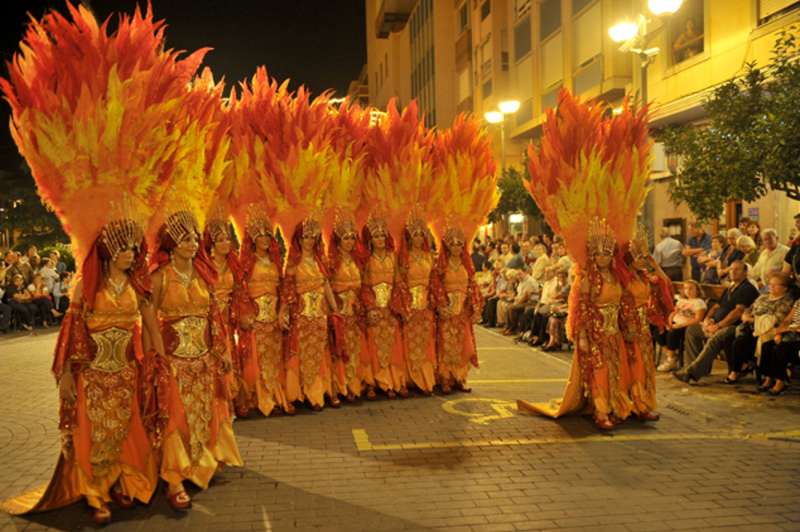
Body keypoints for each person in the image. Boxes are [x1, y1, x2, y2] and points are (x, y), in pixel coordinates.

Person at [149, 211, 243, 511]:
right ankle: (174, 479)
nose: (191, 243)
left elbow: (214, 317)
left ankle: (201, 464)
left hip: (203, 361)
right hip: (174, 362)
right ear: (171, 244)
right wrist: (156, 361)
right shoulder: (160, 278)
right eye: (184, 239)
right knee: (175, 418)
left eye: (193, 238)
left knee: (203, 413)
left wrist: (223, 352)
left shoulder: (204, 274)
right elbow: (148, 323)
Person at [519, 219, 637, 430]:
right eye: (599, 254)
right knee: (599, 371)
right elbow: (581, 308)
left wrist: (628, 325)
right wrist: (582, 335)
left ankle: (615, 407)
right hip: (595, 333)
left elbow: (625, 303)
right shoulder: (587, 280)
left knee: (617, 371)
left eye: (607, 254)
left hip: (614, 333)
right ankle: (600, 410)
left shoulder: (617, 278)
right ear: (593, 256)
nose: (603, 258)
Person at [236, 212, 295, 416]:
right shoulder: (246, 262)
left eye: (267, 235)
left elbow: (283, 289)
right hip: (256, 318)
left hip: (273, 319)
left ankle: (274, 396)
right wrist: (245, 313)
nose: (263, 238)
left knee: (273, 359)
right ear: (252, 239)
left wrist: (282, 312)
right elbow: (240, 288)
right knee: (256, 359)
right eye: (259, 235)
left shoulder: (275, 261)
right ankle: (257, 399)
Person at [282, 218, 341, 411]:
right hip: (301, 316)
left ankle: (319, 391)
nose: (309, 240)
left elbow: (325, 285)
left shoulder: (320, 261)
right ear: (299, 239)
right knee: (300, 353)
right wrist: (284, 311)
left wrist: (334, 308)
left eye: (312, 237)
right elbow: (288, 289)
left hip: (319, 316)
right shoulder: (293, 262)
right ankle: (300, 393)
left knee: (320, 353)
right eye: (305, 237)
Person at [674, 260, 759, 383]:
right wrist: (709, 319)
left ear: (745, 272)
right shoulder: (729, 288)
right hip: (717, 323)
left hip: (735, 327)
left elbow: (738, 312)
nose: (733, 272)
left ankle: (691, 372)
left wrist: (718, 325)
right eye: (731, 269)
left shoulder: (747, 289)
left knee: (717, 336)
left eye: (737, 269)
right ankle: (695, 367)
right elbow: (716, 307)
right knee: (692, 330)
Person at [621, 231, 674, 420]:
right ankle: (635, 404)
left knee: (645, 366)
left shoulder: (644, 277)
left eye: (644, 256)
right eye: (639, 257)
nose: (642, 260)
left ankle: (643, 403)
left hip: (644, 328)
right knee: (634, 367)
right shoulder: (625, 279)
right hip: (629, 328)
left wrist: (654, 264)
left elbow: (665, 283)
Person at [203, 217, 247, 415]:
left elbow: (239, 290)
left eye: (227, 239)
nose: (225, 243)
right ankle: (218, 404)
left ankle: (232, 400)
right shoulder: (204, 265)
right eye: (220, 240)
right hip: (210, 321)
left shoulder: (232, 263)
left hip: (228, 319)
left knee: (231, 356)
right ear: (211, 244)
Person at [329, 218, 375, 401]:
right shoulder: (331, 260)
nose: (349, 242)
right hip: (340, 314)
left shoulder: (358, 261)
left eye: (352, 238)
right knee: (340, 350)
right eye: (345, 238)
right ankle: (341, 386)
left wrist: (367, 306)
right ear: (338, 240)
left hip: (355, 314)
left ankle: (355, 385)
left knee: (356, 350)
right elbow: (328, 287)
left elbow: (363, 286)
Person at [431, 226, 482, 394]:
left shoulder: (466, 265)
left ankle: (460, 378)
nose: (456, 247)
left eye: (459, 244)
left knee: (463, 346)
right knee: (447, 346)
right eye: (452, 244)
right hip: (447, 312)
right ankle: (445, 378)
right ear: (447, 246)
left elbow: (473, 286)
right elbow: (436, 286)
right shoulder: (441, 265)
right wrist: (441, 306)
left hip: (462, 313)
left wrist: (475, 307)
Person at [362, 217, 408, 399]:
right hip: (375, 310)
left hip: (390, 309)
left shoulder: (392, 257)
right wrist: (370, 308)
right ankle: (373, 382)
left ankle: (394, 381)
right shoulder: (367, 260)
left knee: (393, 346)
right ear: (370, 239)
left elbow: (398, 284)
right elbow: (364, 287)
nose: (380, 239)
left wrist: (397, 305)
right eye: (376, 236)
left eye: (382, 235)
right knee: (374, 347)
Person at [725, 272, 794, 384]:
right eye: (770, 284)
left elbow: (776, 319)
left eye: (775, 285)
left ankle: (765, 375)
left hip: (769, 331)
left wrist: (753, 320)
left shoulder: (786, 301)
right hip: (752, 328)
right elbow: (749, 308)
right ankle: (735, 371)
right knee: (736, 340)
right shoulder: (763, 297)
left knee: (762, 343)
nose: (770, 287)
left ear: (785, 288)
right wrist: (746, 314)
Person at [398, 216, 437, 395]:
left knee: (425, 344)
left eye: (422, 235)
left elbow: (434, 282)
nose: (419, 238)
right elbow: (400, 284)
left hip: (426, 308)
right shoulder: (403, 258)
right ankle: (409, 379)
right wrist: (404, 306)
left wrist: (434, 303)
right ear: (409, 237)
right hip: (410, 308)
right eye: (415, 235)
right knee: (410, 343)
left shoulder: (430, 256)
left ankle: (426, 379)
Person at [657, 280, 706, 372]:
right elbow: (673, 312)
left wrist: (680, 325)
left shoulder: (699, 302)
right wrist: (669, 322)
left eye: (691, 288)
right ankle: (671, 355)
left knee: (673, 332)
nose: (688, 290)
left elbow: (698, 320)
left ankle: (671, 360)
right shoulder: (681, 300)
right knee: (658, 329)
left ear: (697, 290)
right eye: (686, 288)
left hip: (687, 326)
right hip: (676, 323)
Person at [759, 298, 800, 395]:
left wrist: (792, 329)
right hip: (790, 333)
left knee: (780, 348)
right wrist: (780, 332)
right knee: (767, 346)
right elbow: (787, 319)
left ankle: (780, 381)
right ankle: (769, 378)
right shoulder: (798, 301)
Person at [503, 269, 539, 336]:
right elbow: (519, 294)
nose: (518, 276)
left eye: (520, 274)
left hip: (530, 302)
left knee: (512, 308)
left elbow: (526, 296)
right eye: (517, 275)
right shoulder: (521, 281)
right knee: (508, 306)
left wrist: (517, 303)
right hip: (522, 300)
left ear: (525, 272)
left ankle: (514, 329)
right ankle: (508, 326)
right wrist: (515, 300)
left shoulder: (530, 281)